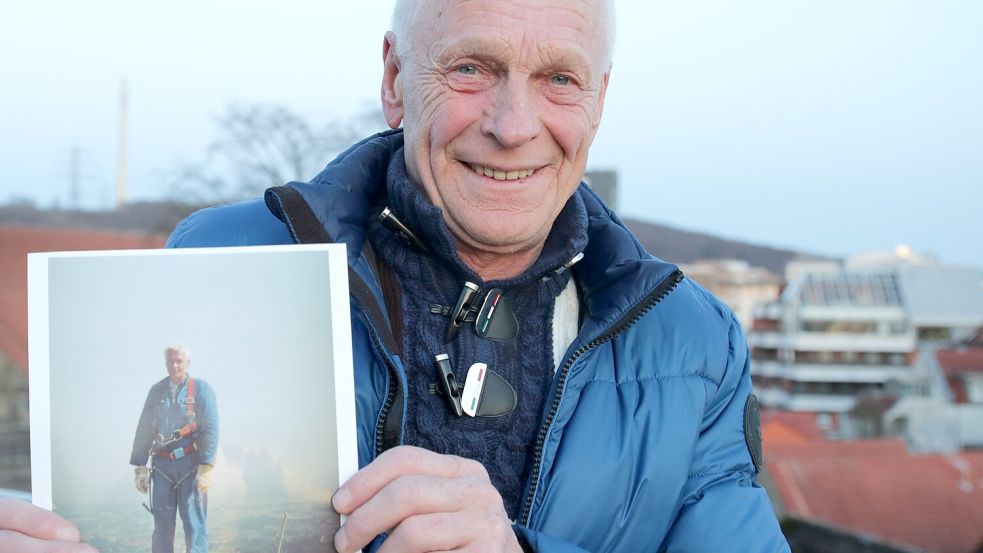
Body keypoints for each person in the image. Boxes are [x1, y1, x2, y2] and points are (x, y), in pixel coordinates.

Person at [1, 1, 789, 551]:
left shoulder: (691, 340)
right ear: (393, 78)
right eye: (473, 68)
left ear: (599, 100)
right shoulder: (226, 256)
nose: (513, 126)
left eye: (559, 77)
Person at [130, 344, 219, 553]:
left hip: (190, 466)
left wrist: (206, 466)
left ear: (188, 363)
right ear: (165, 364)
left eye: (179, 361)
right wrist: (140, 467)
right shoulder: (157, 391)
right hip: (162, 468)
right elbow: (144, 429)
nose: (175, 365)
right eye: (170, 361)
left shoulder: (201, 390)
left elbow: (211, 427)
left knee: (194, 526)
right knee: (162, 527)